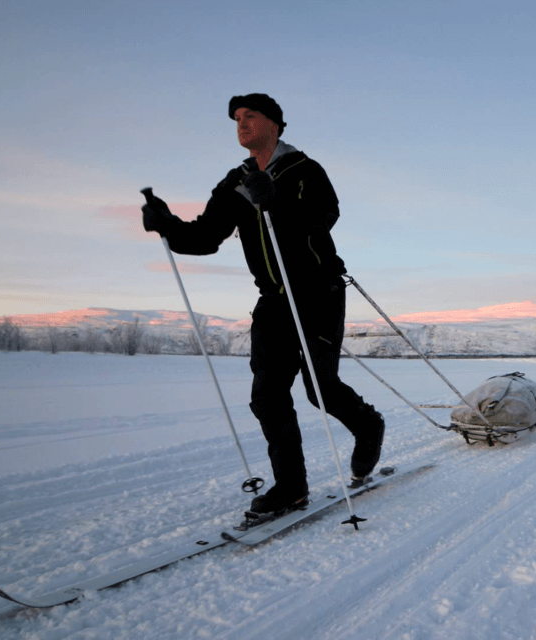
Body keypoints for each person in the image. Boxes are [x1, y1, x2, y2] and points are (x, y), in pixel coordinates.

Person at [142, 94, 386, 515]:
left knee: (320, 390)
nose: (241, 124)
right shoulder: (235, 183)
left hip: (317, 293)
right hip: (273, 301)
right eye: (236, 118)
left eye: (250, 116)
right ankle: (291, 488)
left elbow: (323, 216)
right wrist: (166, 226)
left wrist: (275, 199)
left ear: (275, 124)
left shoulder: (304, 170)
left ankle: (368, 426)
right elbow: (204, 237)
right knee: (268, 396)